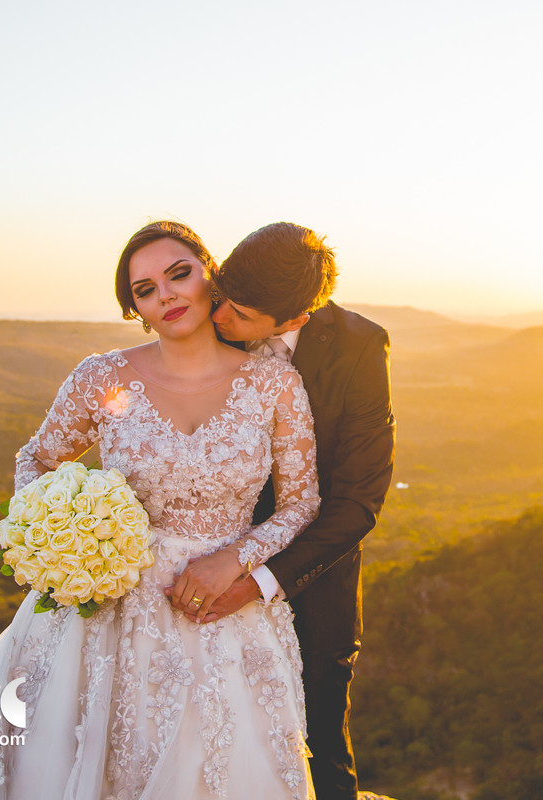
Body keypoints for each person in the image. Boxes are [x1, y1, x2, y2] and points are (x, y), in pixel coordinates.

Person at [0, 220, 320, 799]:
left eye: (179, 274)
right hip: (105, 607)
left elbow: (300, 504)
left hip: (221, 612)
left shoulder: (274, 384)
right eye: (144, 289)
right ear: (135, 308)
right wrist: (57, 542)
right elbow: (37, 459)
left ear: (211, 276)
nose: (165, 294)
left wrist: (236, 557)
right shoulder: (101, 377)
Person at [168, 222, 395, 800]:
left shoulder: (360, 347)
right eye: (221, 296)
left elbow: (359, 498)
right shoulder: (206, 324)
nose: (218, 319)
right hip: (193, 576)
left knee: (318, 751)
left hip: (312, 586)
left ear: (294, 320)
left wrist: (260, 580)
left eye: (239, 315)